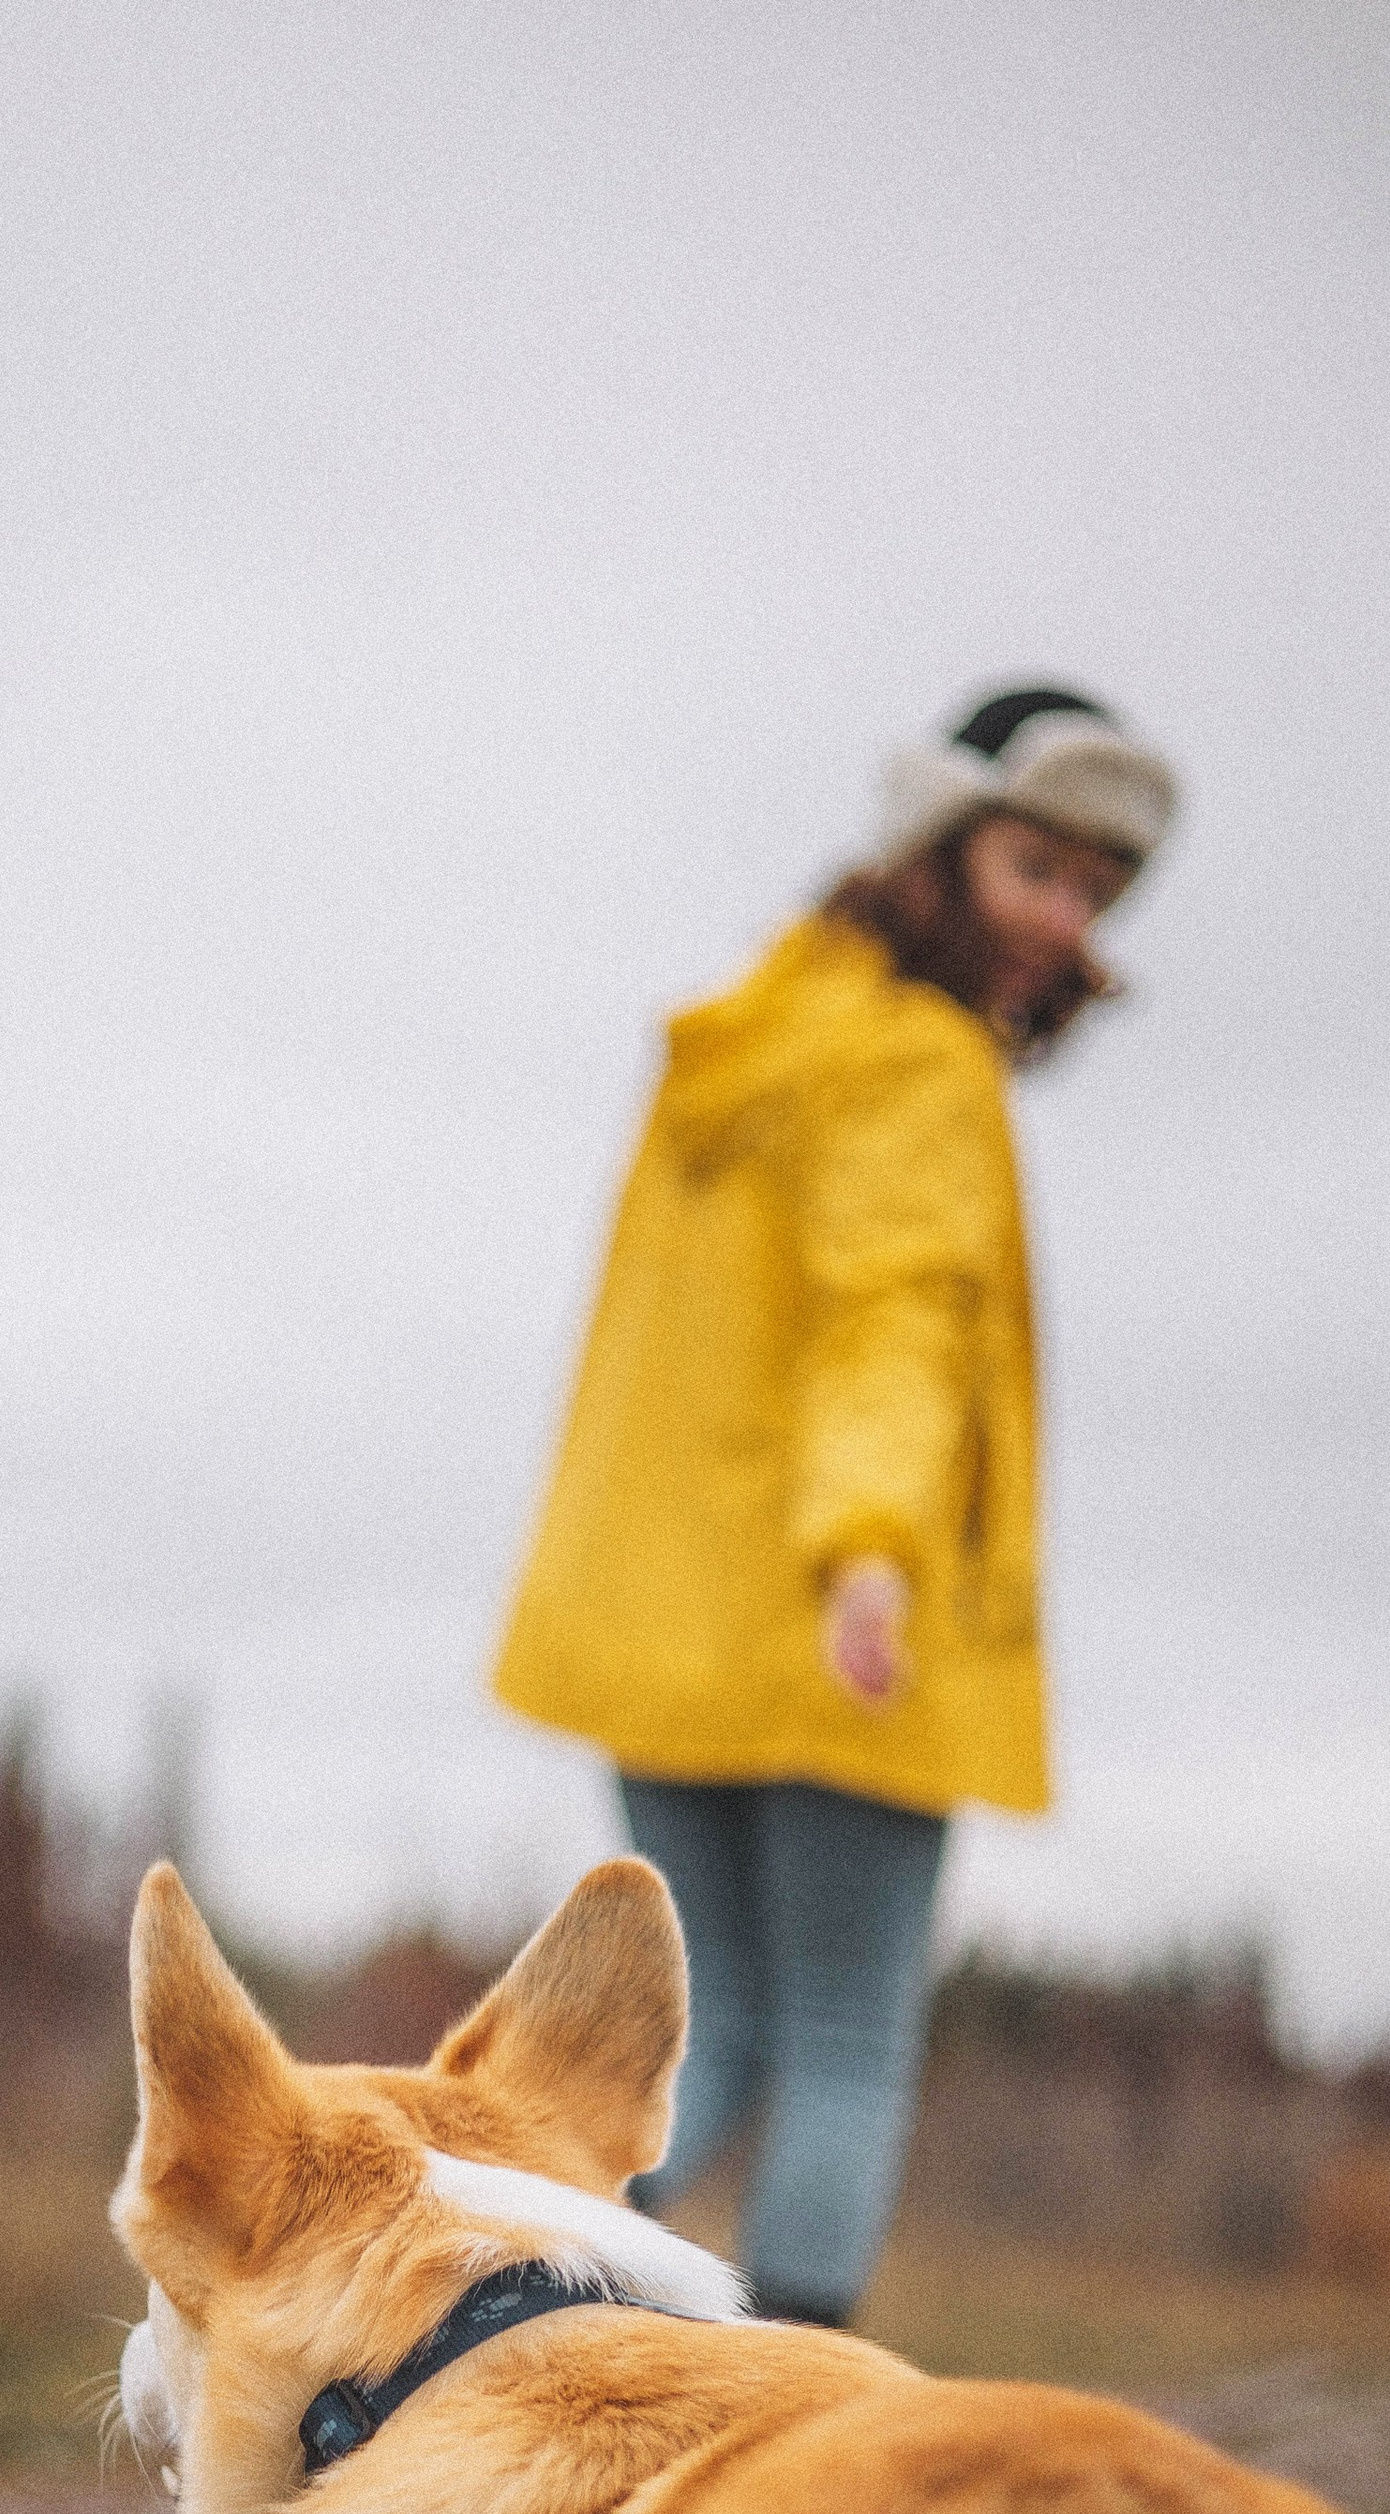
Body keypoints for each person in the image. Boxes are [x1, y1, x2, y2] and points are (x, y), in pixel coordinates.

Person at [491, 685, 1179, 2323]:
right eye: (1033, 869)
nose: (1062, 923)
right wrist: (870, 1556)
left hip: (669, 1621)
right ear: (934, 847)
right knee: (847, 2036)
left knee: (709, 2024)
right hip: (834, 1616)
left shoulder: (757, 1038)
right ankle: (792, 2433)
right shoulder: (920, 1066)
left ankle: (478, 2323)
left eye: (1093, 892)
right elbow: (890, 1324)